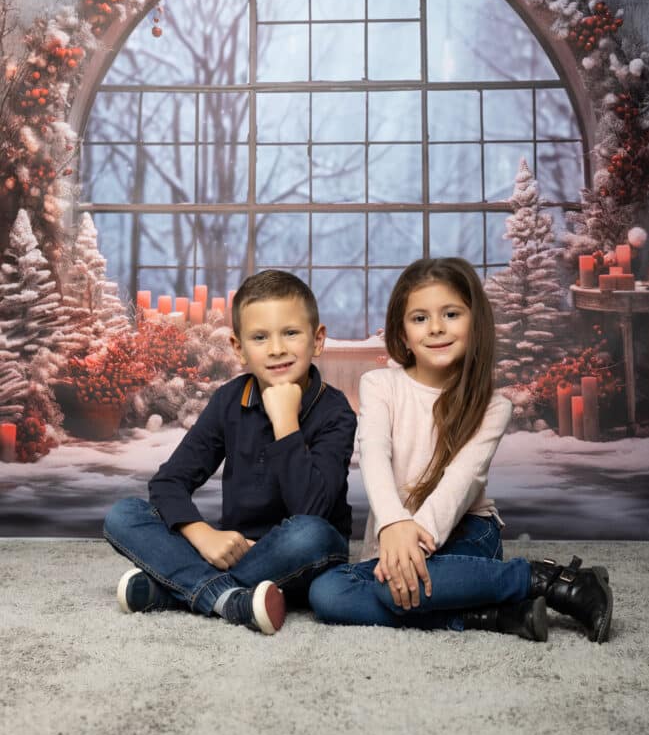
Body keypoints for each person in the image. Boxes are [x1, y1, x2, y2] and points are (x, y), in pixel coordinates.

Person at [309, 258, 613, 643]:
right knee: (327, 594)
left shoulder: (493, 407)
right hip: (395, 532)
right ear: (402, 334)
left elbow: (460, 483)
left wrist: (411, 545)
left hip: (467, 530)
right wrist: (393, 525)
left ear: (475, 323)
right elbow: (374, 456)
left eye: (450, 314)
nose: (435, 328)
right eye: (419, 318)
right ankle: (496, 615)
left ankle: (550, 580)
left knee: (391, 591)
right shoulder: (379, 384)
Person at [104, 270, 356, 635]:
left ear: (317, 340)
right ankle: (230, 598)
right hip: (236, 551)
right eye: (259, 337)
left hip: (302, 557)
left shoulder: (336, 411)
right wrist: (202, 534)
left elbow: (312, 511)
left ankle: (181, 589)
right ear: (239, 349)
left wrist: (286, 422)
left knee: (311, 534)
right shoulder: (228, 401)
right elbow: (169, 483)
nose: (276, 349)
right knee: (123, 515)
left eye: (290, 333)